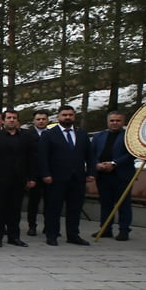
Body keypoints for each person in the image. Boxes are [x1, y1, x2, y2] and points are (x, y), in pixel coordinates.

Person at [38, 104, 95, 246]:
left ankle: (73, 235)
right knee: (54, 208)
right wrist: (45, 173)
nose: (67, 117)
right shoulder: (49, 134)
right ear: (58, 117)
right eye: (64, 115)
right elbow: (42, 157)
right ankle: (52, 235)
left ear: (74, 116)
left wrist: (91, 173)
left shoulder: (82, 134)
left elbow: (90, 155)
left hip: (77, 178)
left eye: (70, 115)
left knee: (75, 208)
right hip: (56, 178)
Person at [0, 110, 36, 247]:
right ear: (3, 120)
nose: (11, 120)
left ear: (18, 120)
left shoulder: (26, 137)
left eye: (14, 118)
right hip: (0, 180)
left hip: (19, 179)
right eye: (8, 118)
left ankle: (14, 237)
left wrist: (31, 177)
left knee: (15, 210)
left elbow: (31, 159)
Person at [91, 111, 136, 241]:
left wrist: (114, 163)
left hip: (122, 175)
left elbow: (131, 154)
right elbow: (91, 153)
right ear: (108, 121)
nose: (115, 123)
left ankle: (124, 230)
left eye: (118, 120)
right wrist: (97, 165)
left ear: (123, 122)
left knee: (123, 204)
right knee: (105, 203)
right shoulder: (99, 136)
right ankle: (105, 228)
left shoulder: (129, 137)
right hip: (103, 175)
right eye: (112, 120)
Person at [26, 109, 52, 236]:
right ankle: (32, 226)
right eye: (38, 119)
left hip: (50, 174)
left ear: (48, 120)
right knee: (33, 202)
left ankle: (49, 226)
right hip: (34, 174)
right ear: (34, 121)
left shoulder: (53, 134)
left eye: (43, 119)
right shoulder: (27, 135)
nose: (41, 121)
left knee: (50, 202)